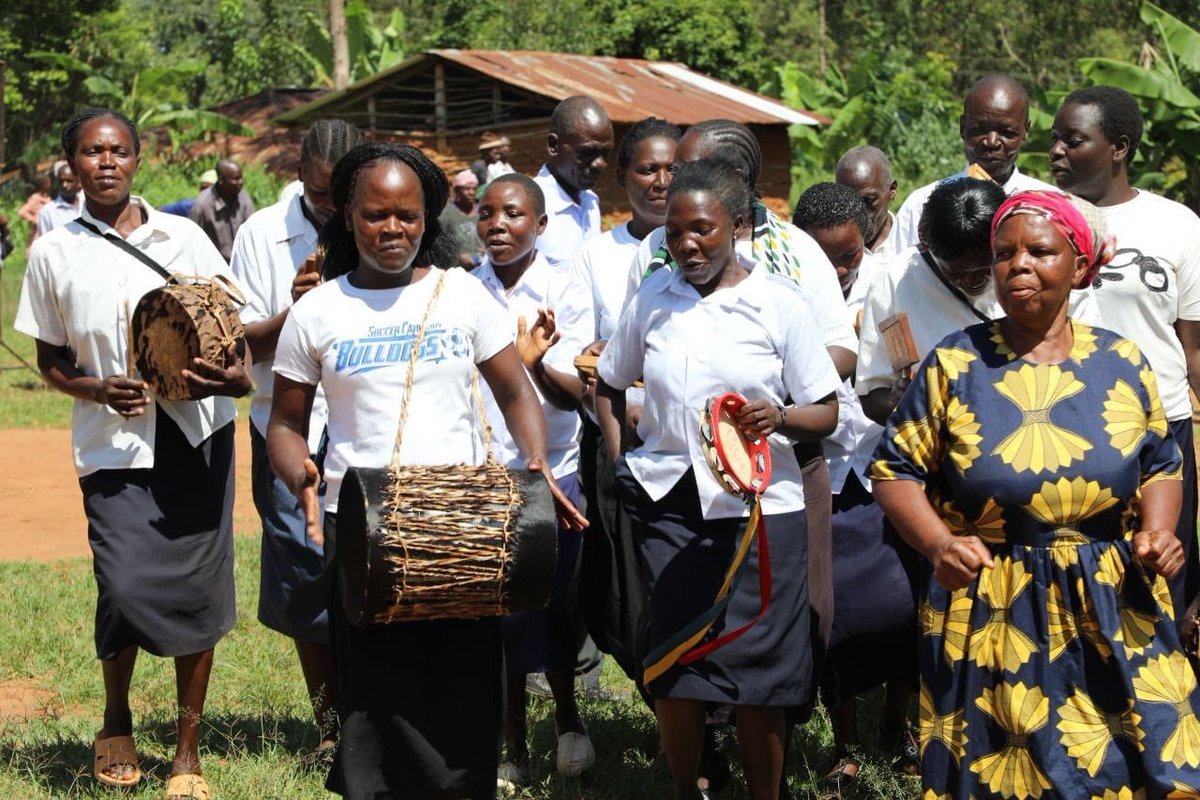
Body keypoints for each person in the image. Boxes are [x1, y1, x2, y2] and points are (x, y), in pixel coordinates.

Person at [267, 141, 586, 799]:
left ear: (428, 217)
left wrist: (533, 464)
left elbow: (515, 391)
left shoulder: (462, 294)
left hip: (461, 528)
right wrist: (297, 472)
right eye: (377, 216)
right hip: (364, 534)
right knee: (376, 706)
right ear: (348, 217)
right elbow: (286, 423)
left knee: (461, 703)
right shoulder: (317, 310)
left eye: (408, 216)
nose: (394, 231)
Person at [871, 188, 1200, 797]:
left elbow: (1161, 461)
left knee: (1152, 758)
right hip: (995, 599)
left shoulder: (1122, 362)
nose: (1017, 265)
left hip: (1112, 593)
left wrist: (1158, 531)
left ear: (1079, 267)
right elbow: (893, 470)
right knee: (1008, 773)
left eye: (1039, 251)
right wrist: (940, 545)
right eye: (1004, 253)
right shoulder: (956, 364)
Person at [14, 107, 250, 800]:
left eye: (118, 150)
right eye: (92, 152)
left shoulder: (183, 236)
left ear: (139, 158)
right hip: (112, 444)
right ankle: (116, 715)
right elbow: (51, 358)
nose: (107, 162)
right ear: (72, 166)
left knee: (200, 593)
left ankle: (186, 752)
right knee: (121, 585)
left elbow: (228, 322)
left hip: (196, 436)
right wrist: (94, 386)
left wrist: (233, 371)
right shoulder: (54, 252)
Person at [625, 118, 857, 795]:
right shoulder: (656, 257)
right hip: (676, 483)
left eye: (699, 173)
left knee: (782, 630)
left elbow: (835, 354)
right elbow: (629, 356)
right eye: (676, 176)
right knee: (678, 641)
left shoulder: (795, 255)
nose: (679, 186)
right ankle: (700, 770)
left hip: (776, 472)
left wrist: (770, 401)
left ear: (743, 192)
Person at [229, 117, 362, 754]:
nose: (334, 211)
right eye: (320, 198)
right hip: (289, 429)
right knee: (307, 573)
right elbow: (242, 345)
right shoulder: (261, 234)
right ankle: (332, 727)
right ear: (299, 177)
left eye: (343, 198)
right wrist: (295, 307)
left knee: (371, 566)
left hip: (369, 426)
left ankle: (374, 708)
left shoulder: (382, 211)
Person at [1050, 85, 1200, 627]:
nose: (1057, 152)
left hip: (1159, 432)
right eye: (1054, 140)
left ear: (1119, 147)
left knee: (1161, 571)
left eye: (1074, 140)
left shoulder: (1176, 224)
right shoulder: (1039, 220)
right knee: (1082, 581)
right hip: (1065, 426)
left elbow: (1192, 343)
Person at [469, 173, 596, 785]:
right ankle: (512, 740)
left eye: (513, 214)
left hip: (554, 473)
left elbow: (575, 398)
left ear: (540, 226)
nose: (496, 225)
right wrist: (510, 365)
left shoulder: (564, 291)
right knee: (501, 612)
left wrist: (538, 361)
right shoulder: (464, 292)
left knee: (555, 604)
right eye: (486, 213)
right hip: (486, 472)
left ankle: (568, 715)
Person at [792, 182, 919, 790]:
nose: (839, 270)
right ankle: (844, 742)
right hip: (815, 473)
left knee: (901, 607)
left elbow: (901, 369)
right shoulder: (782, 291)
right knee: (828, 615)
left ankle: (900, 725)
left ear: (865, 240)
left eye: (848, 256)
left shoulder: (887, 287)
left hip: (877, 470)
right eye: (825, 258)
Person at [572, 116, 681, 689]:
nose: (661, 181)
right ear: (622, 177)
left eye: (673, 169)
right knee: (626, 584)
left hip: (692, 442)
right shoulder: (599, 256)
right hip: (620, 437)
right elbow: (587, 354)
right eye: (647, 169)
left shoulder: (715, 250)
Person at [893, 74, 1056, 251]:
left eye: (1007, 132)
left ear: (1025, 131)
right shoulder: (921, 205)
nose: (992, 142)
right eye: (980, 130)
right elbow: (897, 274)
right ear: (963, 127)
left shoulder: (1051, 205)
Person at [533, 96, 613, 270]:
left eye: (606, 154)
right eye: (587, 152)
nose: (600, 164)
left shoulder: (590, 201)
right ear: (554, 145)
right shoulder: (529, 204)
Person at [189, 158, 256, 262]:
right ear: (221, 180)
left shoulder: (243, 198)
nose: (241, 182)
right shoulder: (202, 205)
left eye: (241, 177)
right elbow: (191, 242)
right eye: (236, 179)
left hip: (243, 263)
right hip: (215, 270)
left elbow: (254, 231)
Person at [439, 169, 485, 269]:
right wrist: (457, 256)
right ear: (457, 191)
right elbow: (438, 241)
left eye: (474, 189)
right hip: (456, 269)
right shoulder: (447, 213)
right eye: (467, 189)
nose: (471, 192)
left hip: (481, 266)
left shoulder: (482, 212)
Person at [36, 162, 82, 236]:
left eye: (69, 181)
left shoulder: (88, 203)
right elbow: (46, 243)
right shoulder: (48, 212)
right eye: (61, 181)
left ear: (78, 182)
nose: (64, 185)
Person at [18, 173, 52, 252]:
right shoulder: (35, 199)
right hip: (38, 233)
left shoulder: (47, 198)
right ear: (43, 185)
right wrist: (35, 221)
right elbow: (22, 212)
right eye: (48, 183)